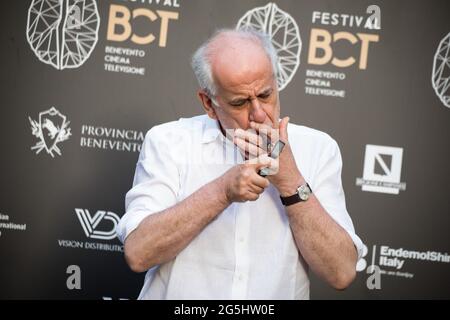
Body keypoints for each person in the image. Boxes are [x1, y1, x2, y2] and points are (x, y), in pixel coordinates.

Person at [117, 29, 364, 300]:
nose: (258, 113)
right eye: (240, 102)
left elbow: (341, 273)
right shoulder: (168, 142)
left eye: (266, 95)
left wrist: (290, 180)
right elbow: (139, 253)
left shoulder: (318, 148)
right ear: (209, 104)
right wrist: (221, 191)